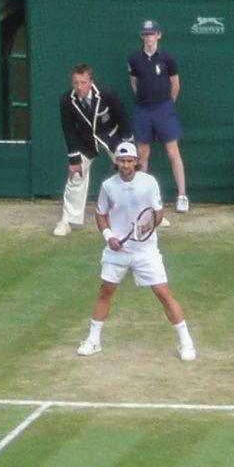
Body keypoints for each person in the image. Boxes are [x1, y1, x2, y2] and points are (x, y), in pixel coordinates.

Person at [83, 140, 194, 360]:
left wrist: (147, 226)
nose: (126, 165)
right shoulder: (108, 186)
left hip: (146, 250)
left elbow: (158, 212)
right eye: (122, 161)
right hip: (117, 251)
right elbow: (101, 214)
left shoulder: (149, 183)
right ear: (117, 162)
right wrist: (109, 236)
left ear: (136, 162)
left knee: (163, 293)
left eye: (129, 160)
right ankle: (93, 341)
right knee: (106, 291)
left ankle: (186, 343)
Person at [55, 61, 130, 236]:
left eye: (83, 82)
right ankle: (67, 220)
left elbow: (123, 118)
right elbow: (69, 130)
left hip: (112, 137)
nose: (79, 87)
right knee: (75, 176)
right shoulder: (66, 101)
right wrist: (74, 160)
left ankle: (143, 211)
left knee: (130, 170)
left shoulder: (107, 94)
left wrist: (128, 145)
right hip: (84, 142)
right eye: (76, 83)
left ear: (91, 81)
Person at [127, 20, 188, 212]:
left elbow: (175, 85)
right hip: (142, 110)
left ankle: (182, 196)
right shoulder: (134, 59)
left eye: (151, 34)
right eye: (145, 34)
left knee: (173, 153)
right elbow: (134, 84)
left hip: (164, 109)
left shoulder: (168, 58)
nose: (149, 38)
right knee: (142, 154)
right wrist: (146, 102)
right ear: (141, 36)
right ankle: (140, 198)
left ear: (159, 35)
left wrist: (167, 104)